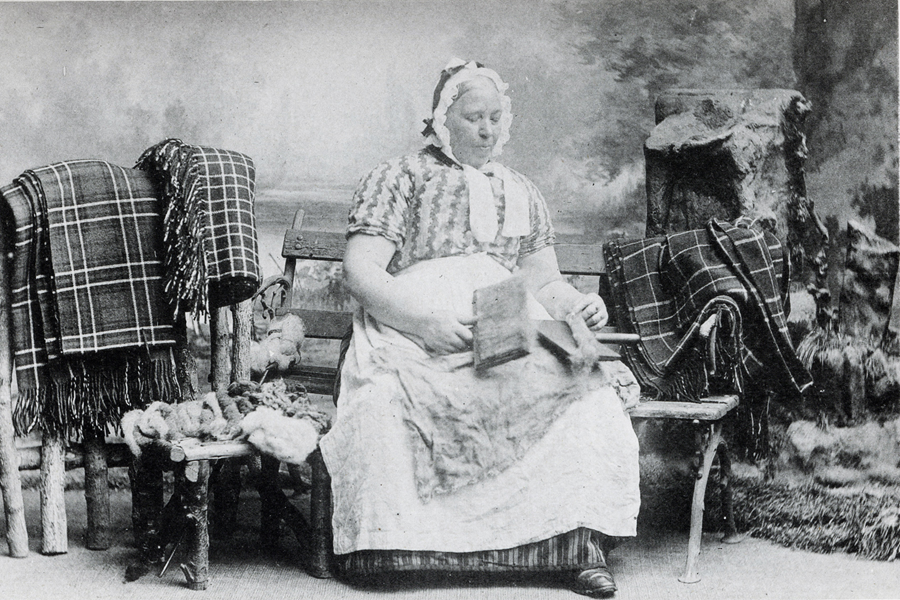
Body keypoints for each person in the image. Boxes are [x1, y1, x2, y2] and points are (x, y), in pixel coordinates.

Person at [318, 59, 641, 598]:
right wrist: (424, 324)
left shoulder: (520, 189)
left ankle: (575, 547)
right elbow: (361, 270)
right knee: (388, 404)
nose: (487, 129)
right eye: (473, 118)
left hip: (507, 320)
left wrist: (579, 305)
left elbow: (544, 283)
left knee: (585, 398)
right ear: (442, 119)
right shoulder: (401, 176)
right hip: (412, 326)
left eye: (495, 117)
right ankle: (399, 551)